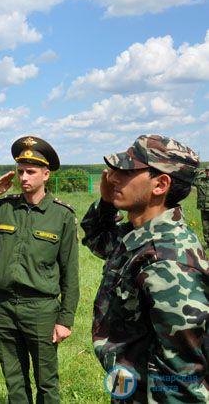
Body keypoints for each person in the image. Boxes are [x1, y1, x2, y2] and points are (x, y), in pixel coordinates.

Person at [81, 134, 208, 402]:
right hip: (128, 387)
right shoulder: (138, 234)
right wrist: (106, 202)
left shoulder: (168, 261)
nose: (113, 177)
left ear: (160, 184)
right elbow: (96, 239)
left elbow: (182, 377)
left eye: (126, 171)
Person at [0, 136, 79, 404]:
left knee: (46, 382)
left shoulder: (62, 216)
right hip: (3, 307)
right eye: (20, 171)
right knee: (14, 380)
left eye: (31, 172)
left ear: (46, 175)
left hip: (41, 309)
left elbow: (70, 272)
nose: (24, 177)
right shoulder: (4, 207)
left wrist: (65, 319)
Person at [195, 164, 209, 249]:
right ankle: (208, 243)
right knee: (206, 228)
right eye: (207, 171)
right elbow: (192, 179)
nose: (208, 173)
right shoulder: (200, 181)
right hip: (203, 208)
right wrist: (199, 172)